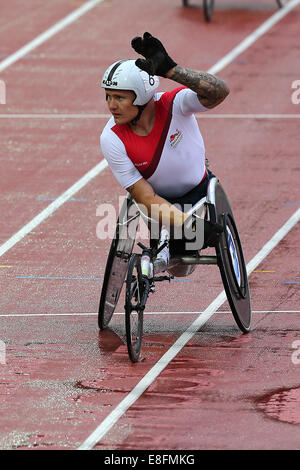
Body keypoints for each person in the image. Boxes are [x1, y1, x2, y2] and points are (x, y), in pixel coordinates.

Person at [100, 32, 229, 266]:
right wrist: (190, 225)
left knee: (185, 257)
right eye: (108, 96)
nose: (111, 106)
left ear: (141, 97)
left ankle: (184, 239)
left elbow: (219, 92)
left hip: (198, 192)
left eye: (119, 97)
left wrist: (172, 70)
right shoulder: (111, 138)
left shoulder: (175, 104)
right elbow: (145, 196)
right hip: (159, 204)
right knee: (179, 265)